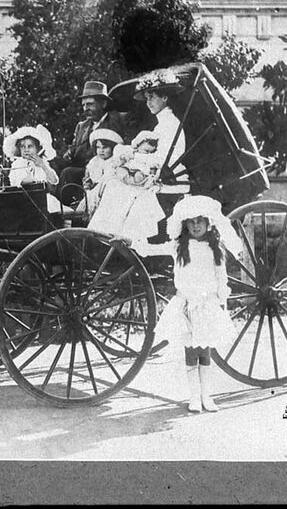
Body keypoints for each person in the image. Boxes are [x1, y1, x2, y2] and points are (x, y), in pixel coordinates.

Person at [127, 195, 243, 413]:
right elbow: (152, 249)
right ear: (184, 224)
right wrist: (132, 243)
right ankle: (194, 397)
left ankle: (207, 396)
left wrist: (221, 300)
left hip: (207, 304)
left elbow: (221, 278)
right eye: (191, 221)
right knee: (190, 352)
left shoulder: (215, 250)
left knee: (205, 352)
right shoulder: (178, 247)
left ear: (209, 223)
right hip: (186, 304)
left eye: (200, 220)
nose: (196, 225)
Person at [56, 80, 132, 204]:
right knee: (56, 167)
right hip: (83, 171)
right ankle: (58, 208)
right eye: (84, 105)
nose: (86, 109)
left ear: (103, 103)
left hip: (106, 171)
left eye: (90, 104)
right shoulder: (82, 126)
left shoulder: (117, 120)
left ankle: (62, 213)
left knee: (68, 173)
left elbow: (126, 147)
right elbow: (73, 151)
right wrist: (68, 153)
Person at [87, 130, 166, 242]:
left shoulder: (149, 160)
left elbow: (153, 172)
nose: (146, 154)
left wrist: (151, 177)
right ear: (138, 146)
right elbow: (118, 163)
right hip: (123, 177)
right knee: (113, 190)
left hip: (136, 181)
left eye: (149, 152)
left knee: (125, 196)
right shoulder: (128, 153)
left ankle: (115, 231)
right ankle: (103, 228)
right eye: (145, 150)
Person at [2, 124, 66, 213]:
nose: (26, 150)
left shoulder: (42, 162)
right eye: (22, 147)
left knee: (52, 209)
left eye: (30, 146)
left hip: (42, 198)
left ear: (37, 148)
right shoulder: (17, 165)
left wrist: (43, 166)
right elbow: (17, 182)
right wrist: (30, 179)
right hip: (23, 198)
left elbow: (54, 180)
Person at [79, 128, 124, 213]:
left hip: (107, 192)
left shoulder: (115, 162)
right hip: (93, 192)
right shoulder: (94, 162)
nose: (101, 150)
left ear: (112, 148)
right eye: (98, 147)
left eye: (105, 147)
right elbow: (87, 179)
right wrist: (87, 187)